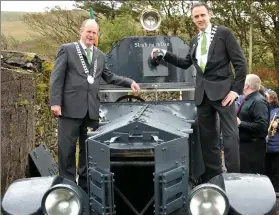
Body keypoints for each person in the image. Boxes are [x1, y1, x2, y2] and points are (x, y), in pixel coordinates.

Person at [151, 2, 247, 182]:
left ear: (209, 14)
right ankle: (214, 179)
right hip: (202, 95)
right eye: (196, 17)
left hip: (224, 94)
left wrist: (235, 91)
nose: (200, 19)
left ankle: (234, 179)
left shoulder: (224, 33)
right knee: (207, 140)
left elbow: (240, 64)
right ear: (193, 19)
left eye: (202, 15)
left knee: (230, 137)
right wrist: (164, 53)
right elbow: (186, 63)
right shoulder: (195, 40)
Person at [50, 19, 140, 192]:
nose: (91, 35)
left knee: (87, 150)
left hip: (91, 110)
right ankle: (68, 188)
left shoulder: (100, 55)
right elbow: (56, 78)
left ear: (97, 35)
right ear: (81, 31)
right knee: (67, 150)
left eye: (94, 33)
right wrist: (55, 102)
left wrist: (129, 82)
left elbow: (109, 76)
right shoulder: (67, 50)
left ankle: (84, 187)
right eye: (88, 32)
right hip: (69, 108)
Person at [236, 74, 269, 174]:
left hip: (253, 148)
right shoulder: (248, 99)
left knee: (251, 178)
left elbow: (262, 127)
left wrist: (240, 123)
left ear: (246, 86)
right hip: (245, 147)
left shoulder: (258, 102)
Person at [265, 90, 279, 193]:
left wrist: (277, 125)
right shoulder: (265, 109)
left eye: (267, 97)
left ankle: (276, 190)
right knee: (267, 169)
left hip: (276, 145)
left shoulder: (277, 111)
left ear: (272, 99)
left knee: (276, 170)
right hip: (267, 144)